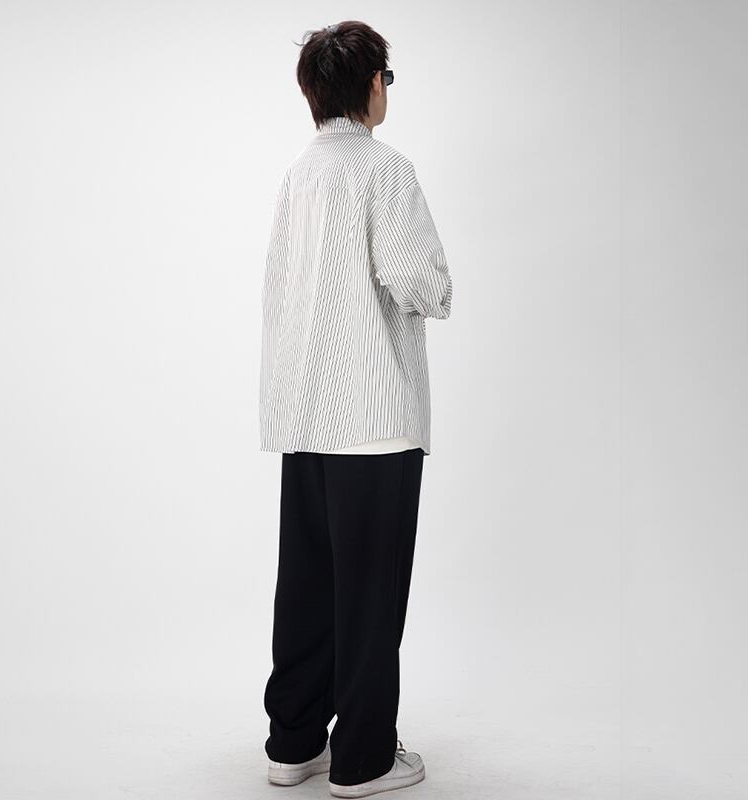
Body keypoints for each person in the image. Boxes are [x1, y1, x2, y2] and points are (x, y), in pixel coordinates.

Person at [259, 19, 453, 798]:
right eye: (386, 78)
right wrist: (441, 288)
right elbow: (418, 281)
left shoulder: (299, 174)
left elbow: (280, 290)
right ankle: (364, 759)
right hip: (372, 418)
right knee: (369, 600)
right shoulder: (385, 169)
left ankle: (293, 743)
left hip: (304, 411)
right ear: (372, 85)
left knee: (307, 588)